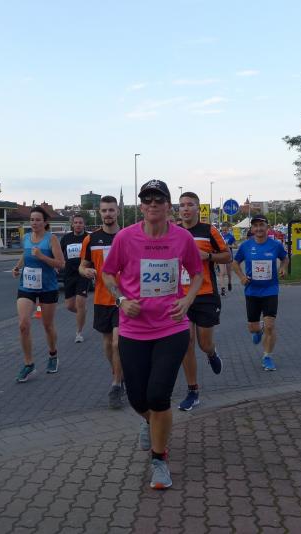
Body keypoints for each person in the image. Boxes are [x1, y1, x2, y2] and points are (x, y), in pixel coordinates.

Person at [102, 179, 203, 490]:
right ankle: (150, 421)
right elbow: (108, 273)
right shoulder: (125, 238)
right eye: (147, 200)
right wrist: (121, 300)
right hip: (134, 329)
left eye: (159, 199)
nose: (153, 204)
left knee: (159, 396)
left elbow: (197, 273)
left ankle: (159, 460)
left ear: (168, 205)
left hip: (171, 327)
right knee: (137, 398)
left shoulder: (182, 238)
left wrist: (187, 300)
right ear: (141, 206)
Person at [176, 193, 232, 411]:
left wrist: (207, 256)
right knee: (186, 342)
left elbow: (227, 256)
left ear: (198, 209)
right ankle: (193, 391)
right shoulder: (173, 232)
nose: (185, 209)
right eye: (182, 205)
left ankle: (211, 353)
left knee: (204, 343)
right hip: (181, 297)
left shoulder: (208, 231)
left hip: (206, 294)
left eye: (190, 205)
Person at [79, 196, 124, 409]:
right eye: (104, 210)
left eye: (111, 210)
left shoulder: (127, 236)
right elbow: (82, 265)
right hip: (101, 298)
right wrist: (85, 271)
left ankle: (116, 385)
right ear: (100, 213)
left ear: (118, 212)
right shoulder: (91, 239)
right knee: (107, 344)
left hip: (123, 299)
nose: (108, 214)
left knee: (117, 343)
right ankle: (118, 373)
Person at [12, 206, 65, 382]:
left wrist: (42, 257)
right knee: (23, 325)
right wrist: (17, 266)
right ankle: (29, 364)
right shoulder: (27, 237)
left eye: (37, 220)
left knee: (47, 325)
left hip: (47, 287)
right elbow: (25, 254)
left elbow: (60, 264)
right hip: (27, 285)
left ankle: (53, 355)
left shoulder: (52, 239)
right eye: (32, 220)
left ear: (45, 222)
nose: (34, 223)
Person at [231, 215, 289, 372]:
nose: (258, 228)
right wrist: (242, 277)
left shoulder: (275, 245)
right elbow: (235, 263)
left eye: (261, 225)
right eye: (255, 226)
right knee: (253, 328)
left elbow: (285, 259)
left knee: (270, 326)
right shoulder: (246, 246)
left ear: (267, 227)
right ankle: (258, 329)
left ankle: (267, 356)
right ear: (252, 229)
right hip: (252, 291)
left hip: (270, 290)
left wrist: (283, 268)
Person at [59, 213, 90, 343]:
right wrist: (58, 265)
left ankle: (79, 332)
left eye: (80, 223)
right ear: (72, 224)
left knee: (80, 302)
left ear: (84, 224)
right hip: (69, 275)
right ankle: (82, 312)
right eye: (76, 222)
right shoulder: (66, 238)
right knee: (69, 306)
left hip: (83, 274)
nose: (78, 225)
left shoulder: (89, 238)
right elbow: (59, 254)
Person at [219, 222, 237, 296]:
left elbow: (236, 246)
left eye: (225, 230)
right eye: (223, 230)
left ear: (228, 229)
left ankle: (229, 282)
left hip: (229, 256)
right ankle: (222, 289)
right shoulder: (219, 236)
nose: (224, 231)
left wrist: (229, 246)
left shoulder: (231, 236)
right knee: (222, 272)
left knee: (228, 273)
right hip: (221, 256)